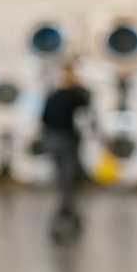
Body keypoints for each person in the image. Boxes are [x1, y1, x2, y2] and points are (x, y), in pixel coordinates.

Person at [40, 64, 92, 243]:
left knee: (61, 173)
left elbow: (44, 118)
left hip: (53, 138)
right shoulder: (73, 95)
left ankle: (65, 205)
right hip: (65, 139)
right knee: (68, 173)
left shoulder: (54, 95)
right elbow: (87, 104)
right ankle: (66, 207)